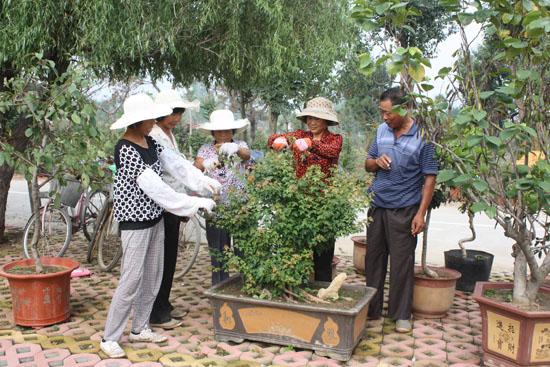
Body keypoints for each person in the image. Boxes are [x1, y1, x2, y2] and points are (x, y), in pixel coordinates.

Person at [100, 94, 220, 358]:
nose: (155, 121)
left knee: (153, 275)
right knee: (131, 280)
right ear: (137, 121)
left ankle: (140, 327)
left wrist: (204, 183)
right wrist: (193, 203)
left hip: (155, 218)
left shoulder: (151, 141)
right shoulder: (125, 149)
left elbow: (176, 166)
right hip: (135, 223)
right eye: (150, 118)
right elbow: (155, 188)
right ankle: (110, 337)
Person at [364, 87, 438, 333]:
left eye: (388, 113)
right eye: (382, 113)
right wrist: (376, 162)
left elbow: (429, 178)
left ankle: (401, 314)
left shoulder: (423, 137)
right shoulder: (381, 131)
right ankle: (371, 311)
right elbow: (368, 163)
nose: (385, 118)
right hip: (377, 206)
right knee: (373, 261)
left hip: (405, 209)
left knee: (401, 263)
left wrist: (420, 214)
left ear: (404, 109)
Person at [267, 97, 342, 281]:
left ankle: (323, 292)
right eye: (309, 118)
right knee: (298, 252)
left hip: (324, 203)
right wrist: (278, 140)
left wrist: (311, 144)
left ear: (326, 121)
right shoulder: (300, 134)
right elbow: (272, 139)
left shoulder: (335, 139)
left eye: (317, 118)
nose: (312, 122)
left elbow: (331, 150)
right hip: (299, 202)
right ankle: (298, 293)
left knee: (323, 255)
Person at [148, 90, 200, 329]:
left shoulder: (168, 134)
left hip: (174, 204)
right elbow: (169, 172)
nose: (176, 117)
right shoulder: (155, 135)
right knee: (161, 259)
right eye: (173, 113)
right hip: (163, 206)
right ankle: (156, 311)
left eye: (179, 112)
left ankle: (164, 303)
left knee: (170, 258)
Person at [194, 109, 250, 285]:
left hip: (240, 204)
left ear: (232, 132)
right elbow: (196, 167)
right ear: (213, 133)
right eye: (219, 131)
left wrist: (235, 150)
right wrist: (205, 164)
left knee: (243, 248)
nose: (223, 134)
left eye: (227, 131)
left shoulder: (240, 144)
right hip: (216, 206)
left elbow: (246, 155)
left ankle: (246, 284)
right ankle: (219, 285)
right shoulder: (205, 149)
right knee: (218, 250)